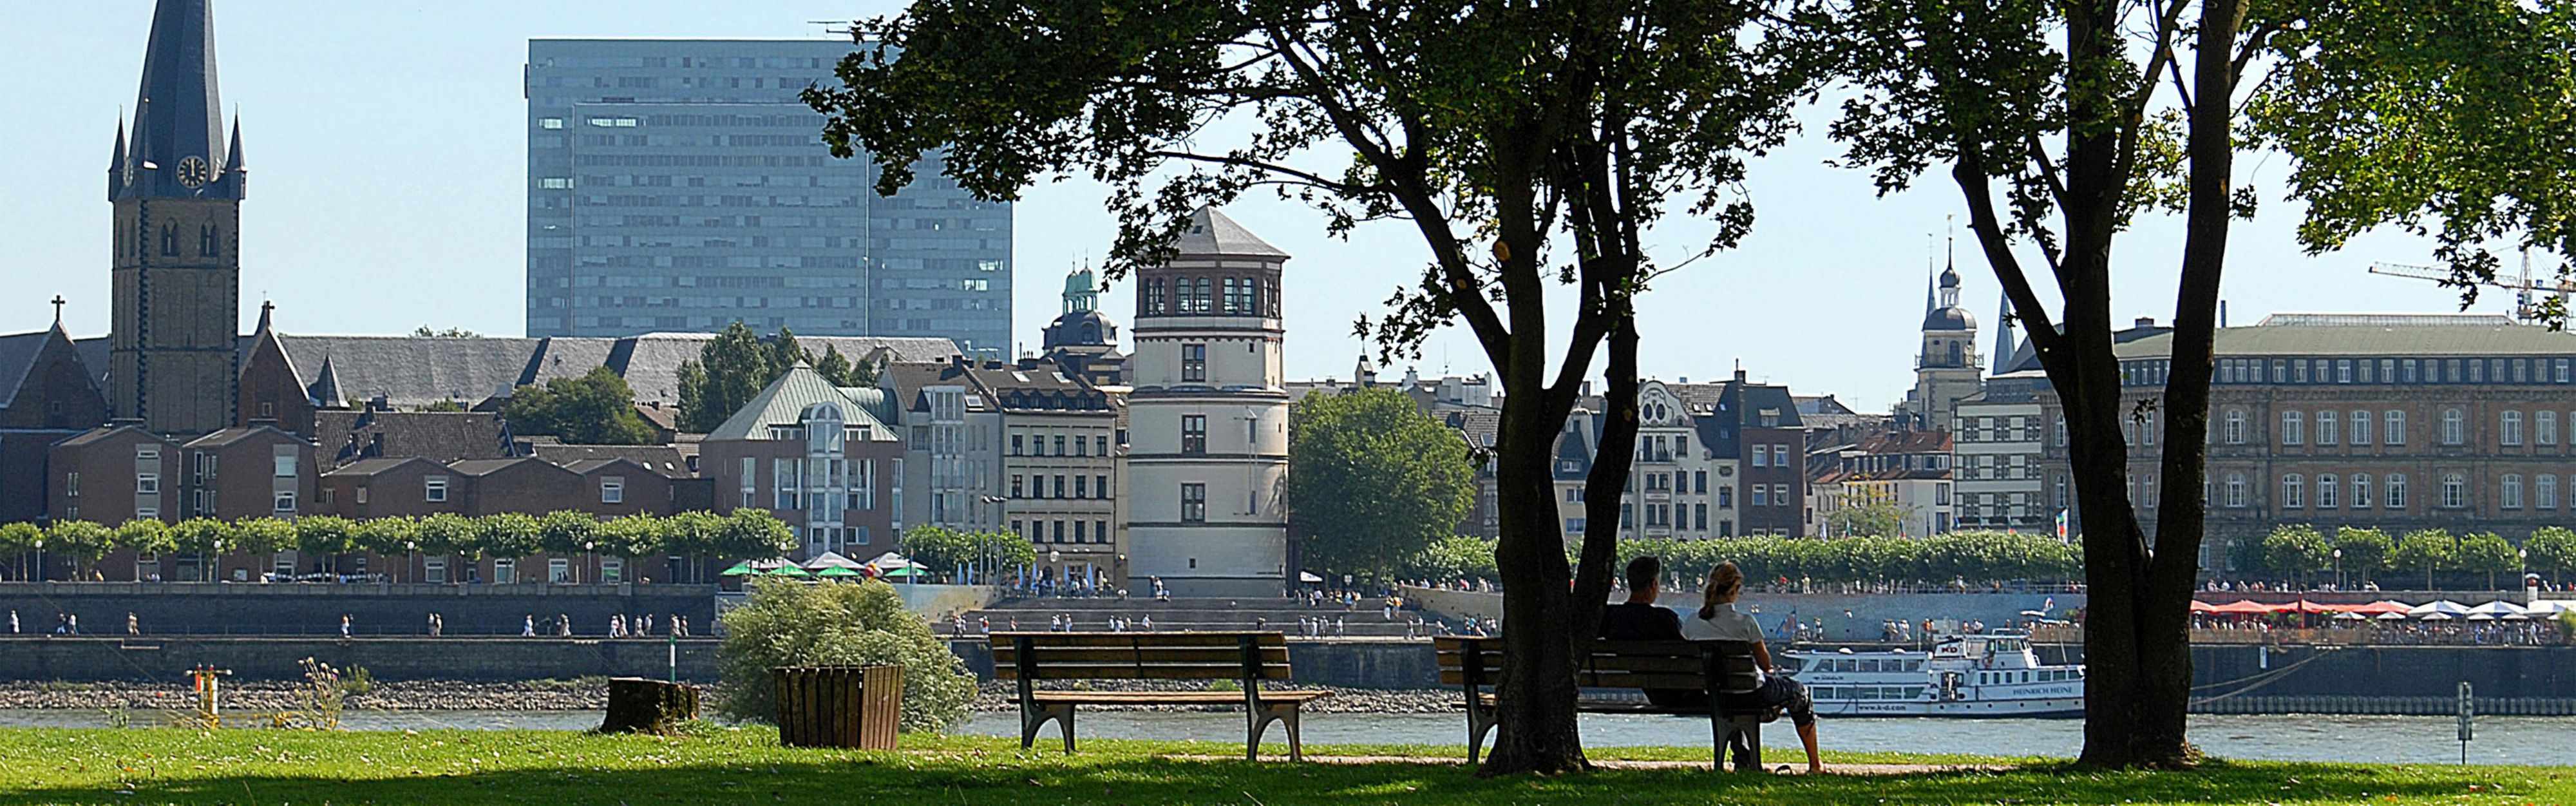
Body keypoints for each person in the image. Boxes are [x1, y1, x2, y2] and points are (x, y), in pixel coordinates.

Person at [1683, 561, 1823, 774]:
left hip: (1715, 696)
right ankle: (1815, 764)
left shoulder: (1692, 623)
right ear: (1733, 590)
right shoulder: (1745, 622)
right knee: (1799, 692)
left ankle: (1743, 760)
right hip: (1751, 695)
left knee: (1731, 691)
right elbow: (1766, 665)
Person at [1597, 556, 1701, 707]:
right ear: (1653, 585)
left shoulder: (1611, 617)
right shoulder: (1665, 618)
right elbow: (1688, 655)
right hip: (1680, 694)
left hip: (1651, 691)